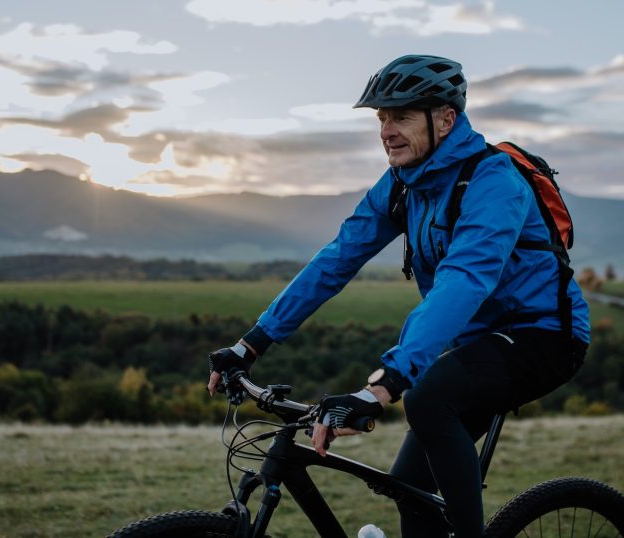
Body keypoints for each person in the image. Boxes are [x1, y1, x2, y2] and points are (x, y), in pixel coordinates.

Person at [207, 54, 591, 537]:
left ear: (446, 120)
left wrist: (386, 383)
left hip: (544, 337)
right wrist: (252, 343)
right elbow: (337, 259)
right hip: (477, 342)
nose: (386, 130)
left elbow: (465, 278)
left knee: (426, 399)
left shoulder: (494, 181)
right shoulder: (402, 185)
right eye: (381, 117)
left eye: (402, 116)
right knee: (410, 486)